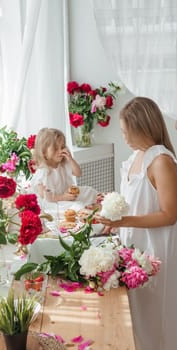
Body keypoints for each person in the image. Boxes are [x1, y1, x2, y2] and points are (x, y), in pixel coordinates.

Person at [98, 96, 177, 350]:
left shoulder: (161, 160)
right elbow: (136, 199)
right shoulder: (135, 157)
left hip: (156, 249)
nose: (123, 137)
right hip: (135, 247)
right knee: (137, 314)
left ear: (143, 127)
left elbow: (169, 214)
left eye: (126, 131)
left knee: (156, 314)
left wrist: (124, 220)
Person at [30, 128, 97, 205]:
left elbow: (78, 173)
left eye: (62, 147)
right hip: (54, 201)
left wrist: (70, 159)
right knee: (78, 205)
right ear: (44, 152)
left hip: (67, 195)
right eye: (55, 149)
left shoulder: (63, 164)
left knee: (90, 191)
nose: (60, 151)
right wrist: (63, 197)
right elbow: (45, 197)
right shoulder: (43, 171)